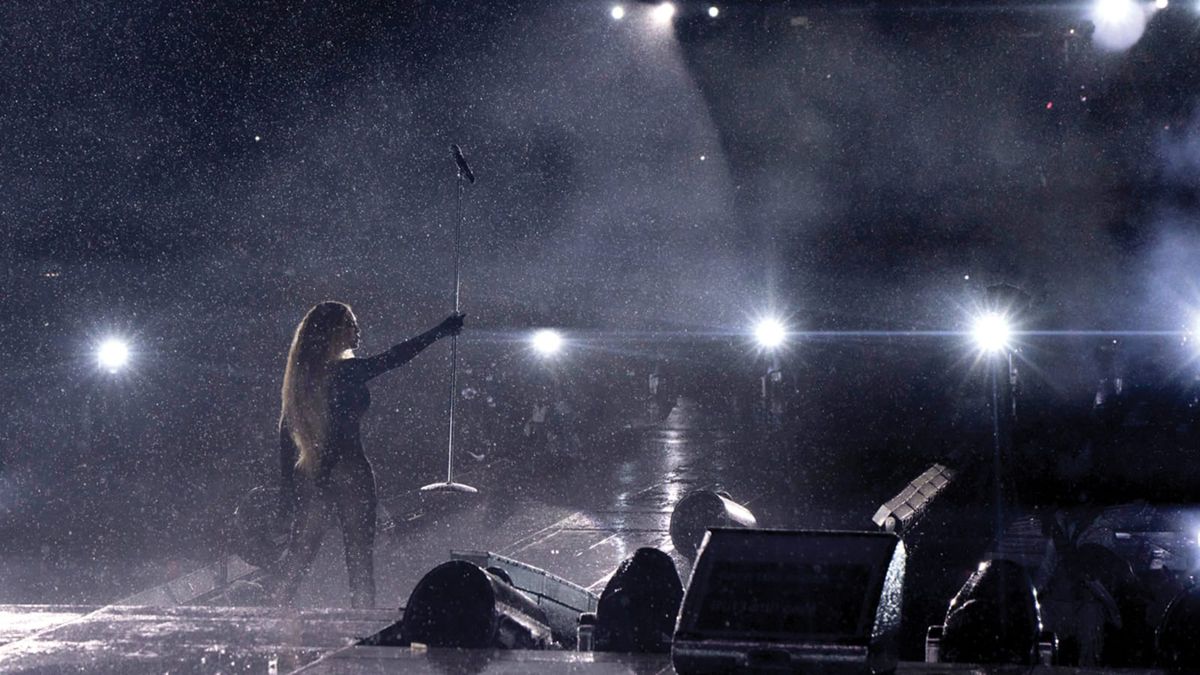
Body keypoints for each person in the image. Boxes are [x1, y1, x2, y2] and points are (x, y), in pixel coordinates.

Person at [272, 301, 464, 608]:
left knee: (300, 555)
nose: (356, 330)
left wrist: (287, 492)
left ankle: (266, 619)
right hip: (349, 471)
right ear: (333, 333)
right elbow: (393, 358)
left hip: (312, 471)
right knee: (358, 558)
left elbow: (286, 435)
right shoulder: (346, 372)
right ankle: (363, 626)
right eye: (350, 324)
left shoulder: (301, 380)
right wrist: (439, 332)